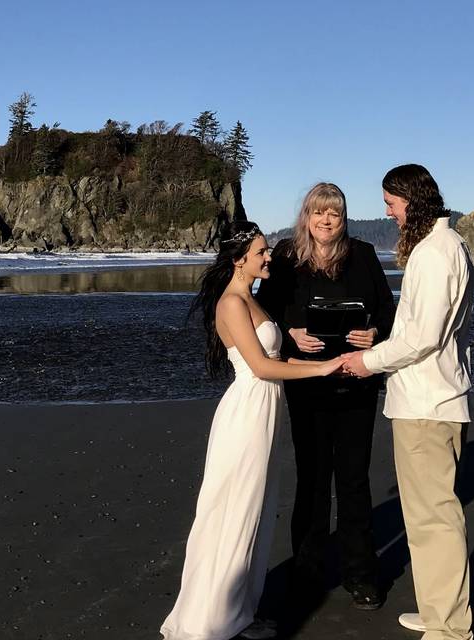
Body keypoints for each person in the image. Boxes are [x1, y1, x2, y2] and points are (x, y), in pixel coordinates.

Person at [161, 221, 345, 640]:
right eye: (261, 252)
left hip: (264, 409)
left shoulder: (251, 298)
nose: (268, 258)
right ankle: (213, 618)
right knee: (233, 512)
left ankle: (239, 609)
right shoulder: (231, 303)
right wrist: (320, 368)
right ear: (239, 257)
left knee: (254, 512)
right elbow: (261, 368)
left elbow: (276, 357)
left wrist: (331, 364)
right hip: (246, 413)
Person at [342, 165, 474, 640]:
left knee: (435, 517)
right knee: (425, 516)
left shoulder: (436, 253)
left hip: (427, 403)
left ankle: (450, 627)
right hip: (429, 397)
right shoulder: (440, 247)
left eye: (391, 204)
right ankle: (439, 611)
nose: (388, 213)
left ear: (412, 200)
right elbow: (421, 330)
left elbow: (422, 335)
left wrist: (368, 361)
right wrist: (381, 339)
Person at [256, 183, 394, 610]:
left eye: (333, 213)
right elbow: (263, 311)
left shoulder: (364, 255)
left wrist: (372, 333)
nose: (326, 220)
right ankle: (308, 572)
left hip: (356, 382)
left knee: (353, 480)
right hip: (308, 383)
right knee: (312, 480)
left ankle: (361, 575)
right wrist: (291, 331)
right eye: (318, 212)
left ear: (343, 217)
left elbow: (389, 313)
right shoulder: (286, 259)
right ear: (306, 216)